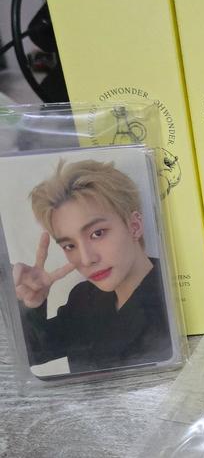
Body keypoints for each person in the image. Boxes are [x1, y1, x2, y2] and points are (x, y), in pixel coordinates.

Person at [13, 157, 173, 374]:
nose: (86, 259)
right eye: (70, 245)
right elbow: (32, 353)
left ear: (134, 226)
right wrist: (32, 305)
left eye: (97, 233)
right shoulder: (83, 298)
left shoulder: (172, 297)